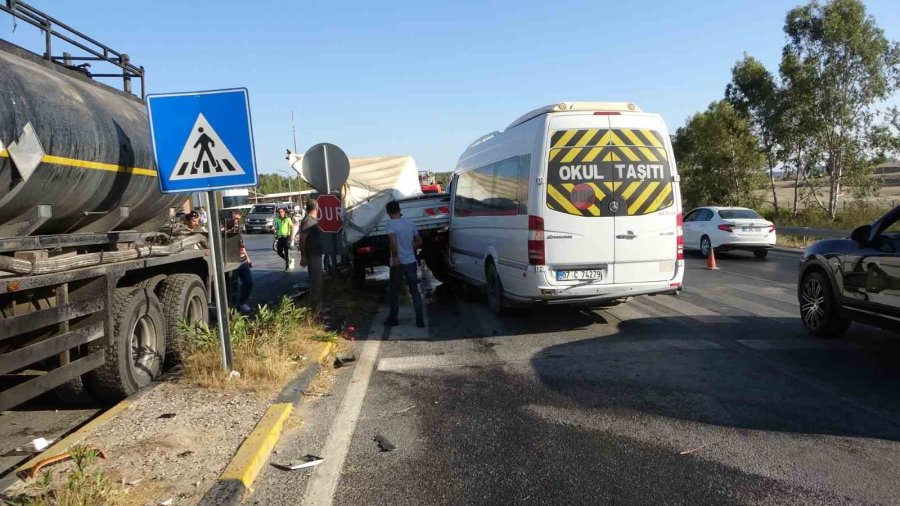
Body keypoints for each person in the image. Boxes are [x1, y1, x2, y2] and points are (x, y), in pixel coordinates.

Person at [384, 200, 424, 327]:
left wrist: (395, 257)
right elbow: (419, 240)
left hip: (398, 264)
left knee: (394, 292)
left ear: (389, 213)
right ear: (399, 210)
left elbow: (393, 242)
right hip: (411, 262)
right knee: (414, 291)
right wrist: (411, 249)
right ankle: (420, 320)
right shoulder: (410, 223)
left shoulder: (390, 225)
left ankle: (393, 319)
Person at [298, 200, 324, 302]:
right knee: (316, 280)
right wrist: (303, 256)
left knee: (318, 279)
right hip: (312, 254)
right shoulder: (308, 221)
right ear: (316, 208)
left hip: (315, 253)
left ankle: (316, 302)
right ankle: (315, 304)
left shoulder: (312, 220)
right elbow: (302, 239)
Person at [227, 210, 253, 313]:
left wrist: (248, 258)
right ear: (229, 218)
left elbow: (241, 245)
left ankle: (242, 302)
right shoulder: (223, 229)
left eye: (238, 219)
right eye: (235, 219)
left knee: (248, 282)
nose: (237, 221)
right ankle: (232, 307)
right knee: (232, 286)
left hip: (242, 260)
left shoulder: (238, 229)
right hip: (231, 261)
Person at [274, 207, 294, 271]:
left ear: (284, 212)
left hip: (286, 236)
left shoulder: (288, 219)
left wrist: (291, 236)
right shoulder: (277, 219)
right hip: (280, 237)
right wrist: (274, 231)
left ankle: (287, 266)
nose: (280, 213)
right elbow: (276, 228)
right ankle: (288, 260)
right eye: (279, 212)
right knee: (279, 252)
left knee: (286, 251)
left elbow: (292, 227)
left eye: (282, 211)